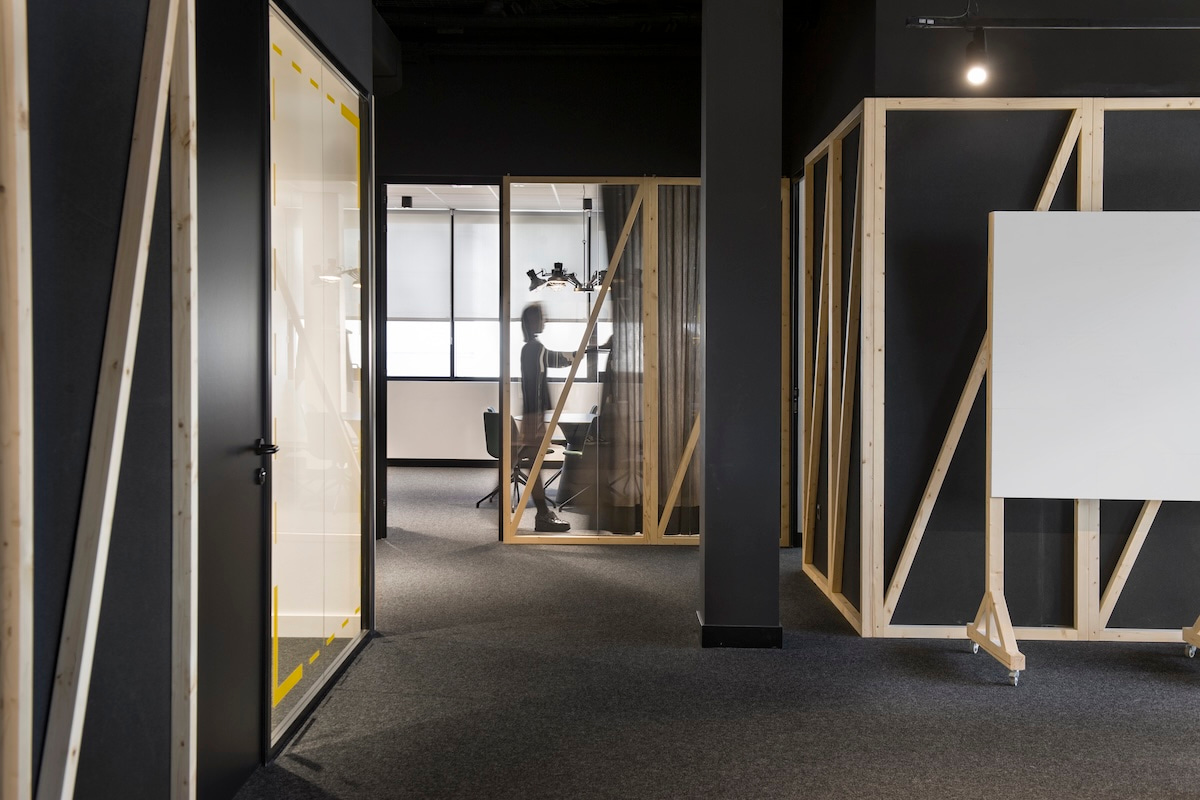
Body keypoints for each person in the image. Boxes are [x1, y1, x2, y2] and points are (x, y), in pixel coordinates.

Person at [519, 303, 573, 532]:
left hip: (532, 416)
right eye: (542, 317)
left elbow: (556, 359)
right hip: (534, 417)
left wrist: (585, 351)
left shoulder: (531, 348)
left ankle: (542, 514)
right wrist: (537, 421)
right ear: (533, 321)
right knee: (535, 467)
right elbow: (535, 387)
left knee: (534, 466)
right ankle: (542, 515)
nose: (546, 321)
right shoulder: (535, 348)